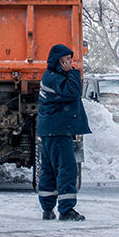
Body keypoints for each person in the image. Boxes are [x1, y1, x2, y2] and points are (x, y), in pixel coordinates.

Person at [36, 44, 90, 221]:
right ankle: (66, 210)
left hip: (51, 130)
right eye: (66, 60)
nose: (70, 63)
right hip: (58, 131)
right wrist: (71, 73)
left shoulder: (50, 76)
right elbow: (75, 92)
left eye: (70, 60)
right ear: (58, 62)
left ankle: (47, 208)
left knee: (49, 170)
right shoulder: (56, 78)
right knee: (66, 168)